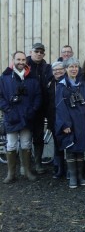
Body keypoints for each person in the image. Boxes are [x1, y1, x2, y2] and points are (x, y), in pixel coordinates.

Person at [0, 51, 42, 183]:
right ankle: (11, 174)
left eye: (23, 60)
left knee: (26, 144)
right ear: (13, 60)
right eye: (18, 59)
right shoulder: (5, 78)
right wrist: (7, 109)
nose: (21, 62)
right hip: (11, 116)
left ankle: (27, 171)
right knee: (11, 145)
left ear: (26, 61)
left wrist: (33, 110)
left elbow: (38, 96)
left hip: (27, 117)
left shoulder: (32, 78)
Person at [55, 57, 85, 188]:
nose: (74, 69)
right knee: (71, 149)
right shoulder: (61, 86)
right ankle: (72, 177)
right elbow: (60, 107)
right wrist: (65, 124)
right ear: (66, 69)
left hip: (82, 123)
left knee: (81, 149)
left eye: (76, 67)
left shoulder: (82, 85)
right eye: (71, 67)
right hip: (70, 123)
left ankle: (80, 176)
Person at [26, 42, 53, 174]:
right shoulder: (23, 65)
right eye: (36, 51)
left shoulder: (47, 67)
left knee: (38, 137)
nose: (39, 54)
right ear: (31, 52)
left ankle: (38, 164)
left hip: (41, 108)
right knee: (24, 138)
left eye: (41, 52)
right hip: (25, 109)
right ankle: (25, 166)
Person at [45, 61, 66, 179]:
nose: (58, 71)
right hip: (54, 119)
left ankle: (71, 169)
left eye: (60, 69)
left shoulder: (68, 82)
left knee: (69, 144)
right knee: (57, 144)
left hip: (67, 119)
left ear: (64, 70)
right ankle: (59, 168)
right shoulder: (49, 84)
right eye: (55, 70)